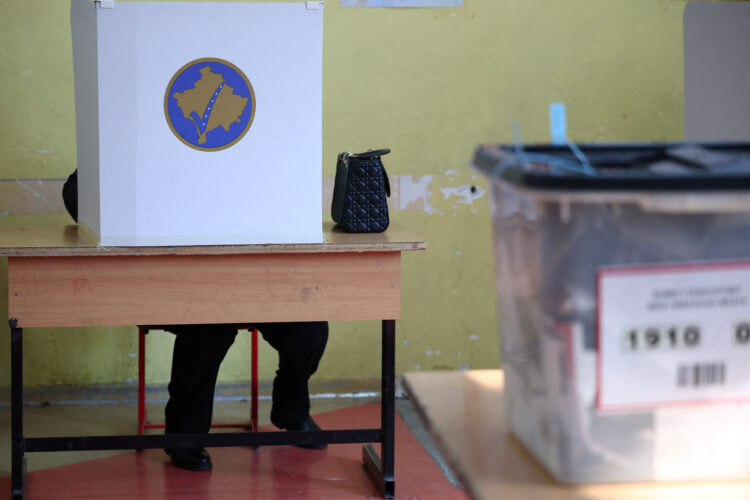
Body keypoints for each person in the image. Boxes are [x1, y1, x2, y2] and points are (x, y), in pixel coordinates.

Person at [62, 171, 329, 471]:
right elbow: (75, 190)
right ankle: (184, 437)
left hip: (250, 275)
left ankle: (291, 411)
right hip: (178, 278)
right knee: (209, 330)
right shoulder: (136, 149)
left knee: (309, 331)